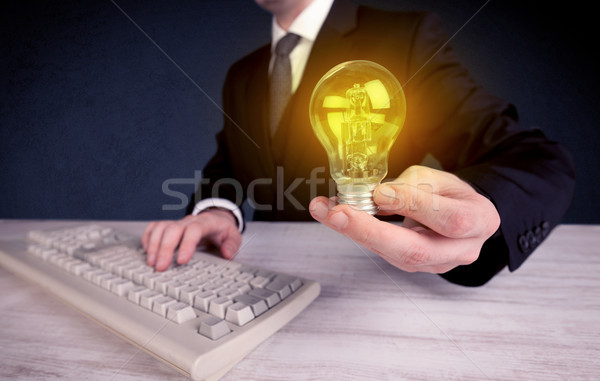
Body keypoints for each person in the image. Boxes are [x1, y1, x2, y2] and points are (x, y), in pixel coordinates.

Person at [142, 0, 575, 286]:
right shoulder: (243, 74)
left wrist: (484, 210)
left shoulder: (403, 38)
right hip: (263, 283)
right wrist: (218, 209)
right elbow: (230, 166)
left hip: (376, 285)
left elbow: (539, 160)